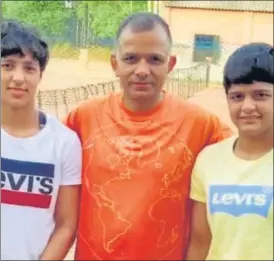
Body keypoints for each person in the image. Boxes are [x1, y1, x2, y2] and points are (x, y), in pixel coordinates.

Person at [65, 12, 232, 260]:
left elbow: (249, 157)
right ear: (115, 63)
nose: (142, 70)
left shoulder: (202, 126)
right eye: (131, 59)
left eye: (155, 59)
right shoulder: (82, 119)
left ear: (171, 64)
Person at [1, 19, 82, 260]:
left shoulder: (64, 143)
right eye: (8, 65)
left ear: (40, 75)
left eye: (29, 68)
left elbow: (67, 224)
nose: (18, 77)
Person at [186, 42, 273, 260]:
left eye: (260, 95)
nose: (247, 106)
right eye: (237, 96)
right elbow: (200, 242)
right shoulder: (208, 160)